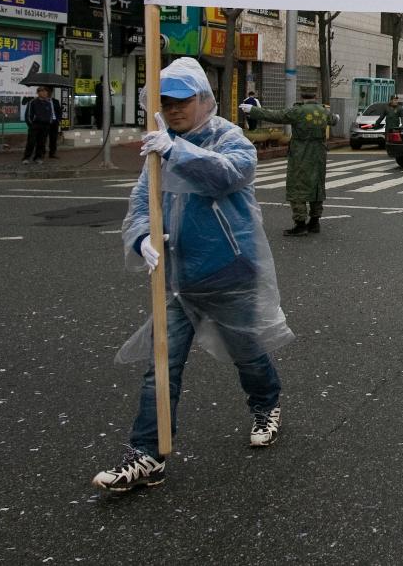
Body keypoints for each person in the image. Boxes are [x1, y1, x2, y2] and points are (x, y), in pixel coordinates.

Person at [92, 58, 293, 492]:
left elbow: (229, 175)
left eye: (181, 100)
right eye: (164, 101)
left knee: (247, 353)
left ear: (204, 99)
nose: (173, 108)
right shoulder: (159, 144)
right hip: (178, 277)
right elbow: (143, 202)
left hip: (228, 269)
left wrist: (175, 150)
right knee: (161, 365)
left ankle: (266, 404)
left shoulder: (228, 137)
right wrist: (142, 237)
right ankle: (148, 453)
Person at [241, 87, 329, 237]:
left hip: (301, 153)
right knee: (317, 185)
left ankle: (300, 224)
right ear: (316, 95)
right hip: (319, 153)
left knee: (297, 186)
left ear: (302, 95)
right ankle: (315, 222)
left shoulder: (297, 111)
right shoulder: (323, 111)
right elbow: (334, 119)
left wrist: (253, 111)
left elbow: (275, 115)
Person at [21, 86, 55, 164]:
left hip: (45, 126)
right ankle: (26, 158)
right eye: (42, 91)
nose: (44, 93)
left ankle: (38, 157)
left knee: (42, 143)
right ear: (38, 93)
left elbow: (51, 114)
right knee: (31, 142)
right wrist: (31, 125)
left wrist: (50, 122)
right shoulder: (32, 102)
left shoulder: (48, 103)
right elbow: (28, 115)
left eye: (46, 91)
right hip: (35, 125)